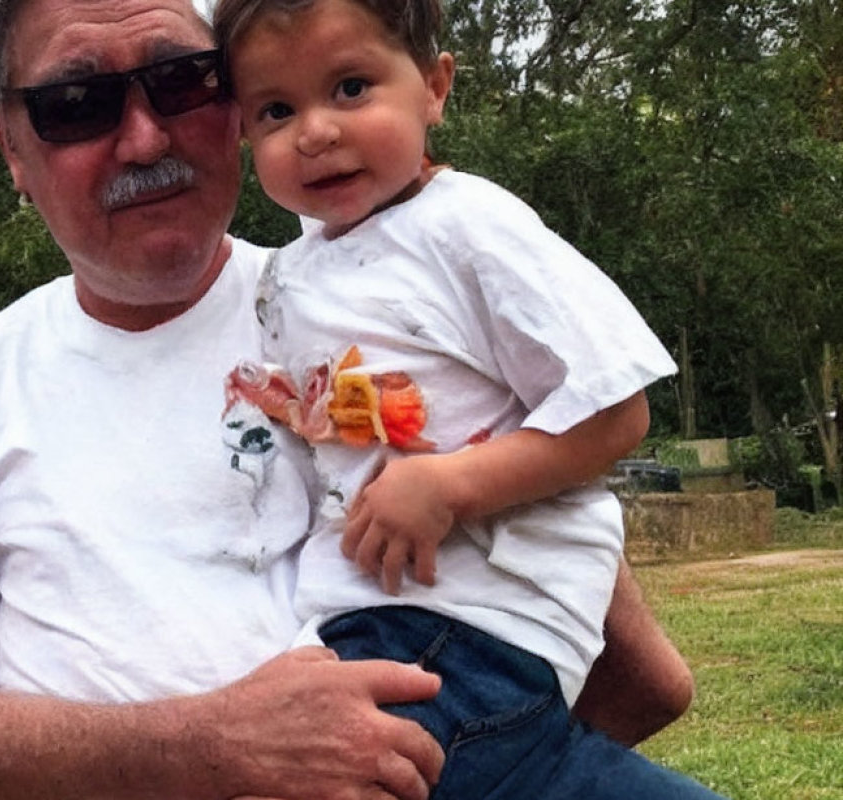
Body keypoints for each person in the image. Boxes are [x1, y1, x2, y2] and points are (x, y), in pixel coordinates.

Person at [0, 0, 688, 797]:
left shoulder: (383, 301)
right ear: (10, 146)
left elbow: (645, 679)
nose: (143, 139)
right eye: (76, 102)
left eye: (182, 80)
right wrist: (204, 746)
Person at [213, 0, 727, 796]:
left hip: (455, 633)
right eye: (276, 110)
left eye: (351, 87)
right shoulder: (292, 275)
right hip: (397, 633)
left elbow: (616, 412)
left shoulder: (469, 226)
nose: (314, 130)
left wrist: (448, 485)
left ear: (434, 87)